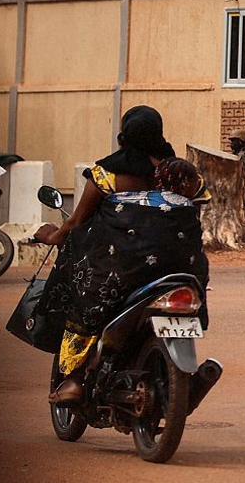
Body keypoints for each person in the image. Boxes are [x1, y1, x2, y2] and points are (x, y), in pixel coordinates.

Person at [34, 105, 210, 404]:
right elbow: (196, 208)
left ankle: (74, 380)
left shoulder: (107, 174)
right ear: (159, 133)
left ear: (124, 134)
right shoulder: (179, 173)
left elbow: (76, 223)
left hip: (121, 269)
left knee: (84, 304)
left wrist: (50, 235)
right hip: (184, 267)